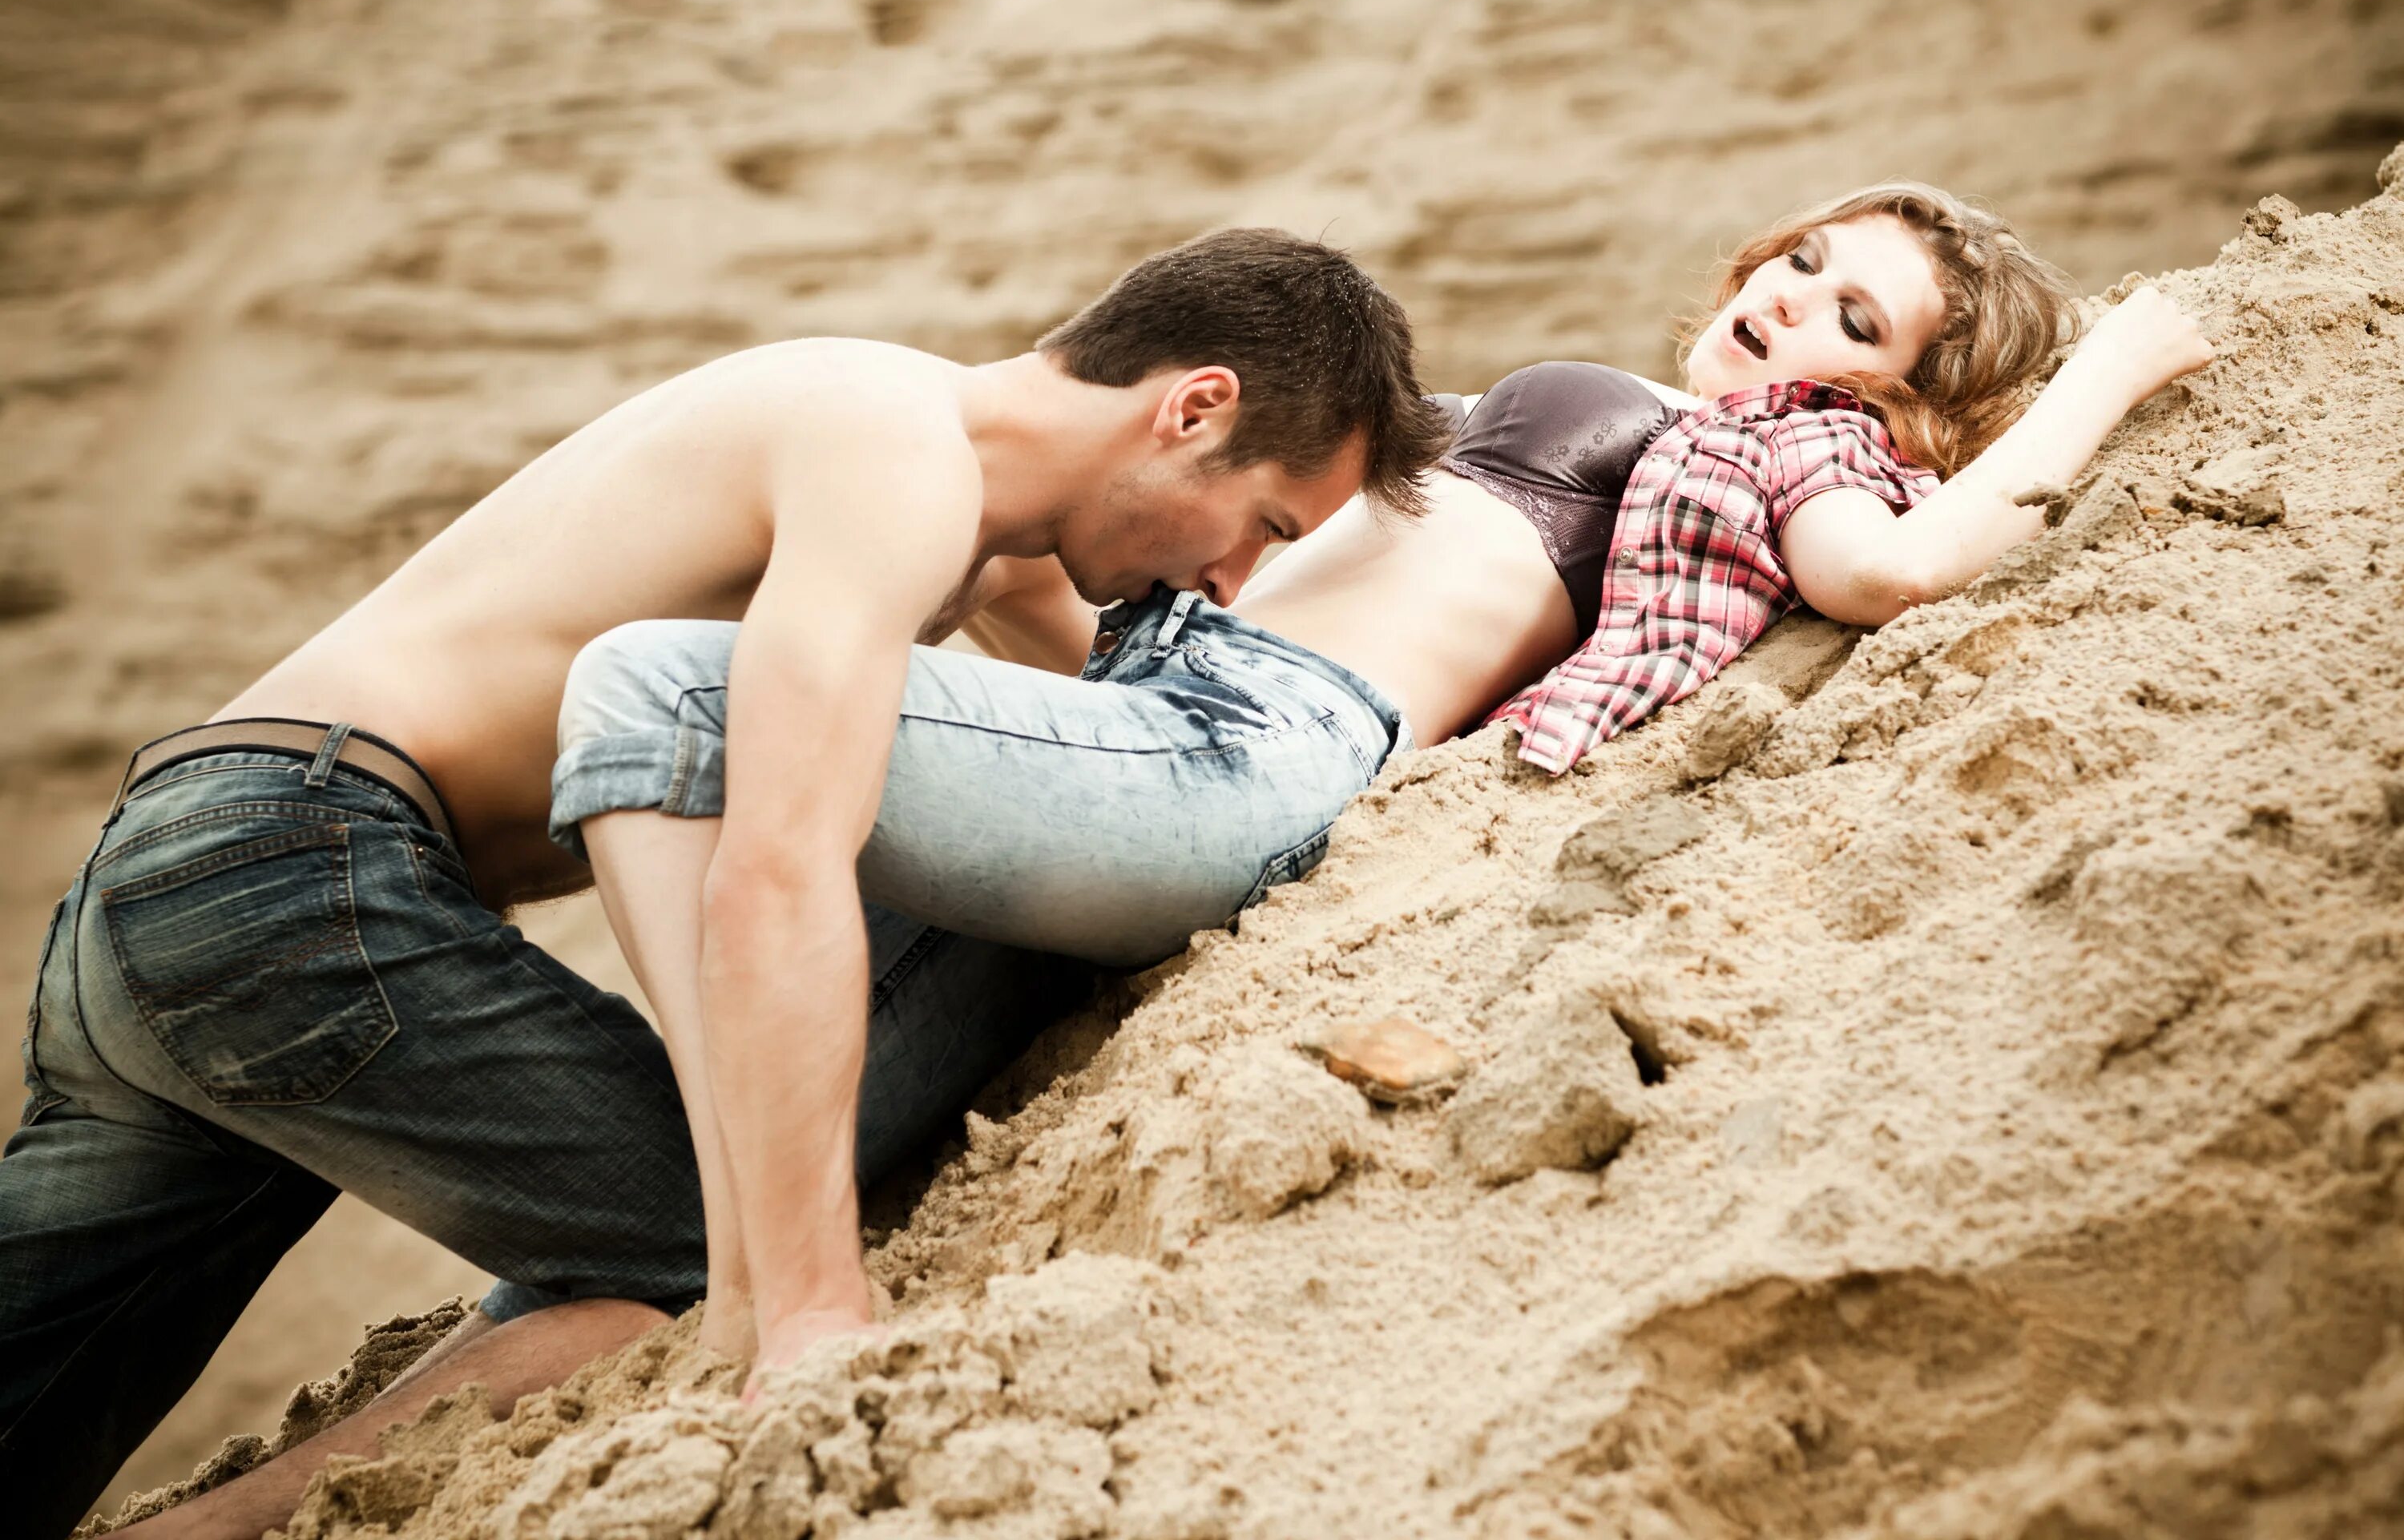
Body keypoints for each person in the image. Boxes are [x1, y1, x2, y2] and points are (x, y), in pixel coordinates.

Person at [544, 179, 2211, 1373]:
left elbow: (1888, 574)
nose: (1793, 301)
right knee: (605, 1257)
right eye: (1804, 256)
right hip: (1156, 731)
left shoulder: (1788, 441)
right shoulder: (1632, 408)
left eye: (1860, 321)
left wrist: (2103, 378)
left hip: (1252, 749)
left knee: (654, 689)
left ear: (1909, 409)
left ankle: (796, 1306)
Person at [0, 228, 1452, 1540]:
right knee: (730, 1226)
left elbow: (1107, 743)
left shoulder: (943, 488)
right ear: (1192, 408)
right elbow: (775, 862)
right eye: (1265, 525)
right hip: (299, 879)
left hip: (172, 877)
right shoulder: (896, 457)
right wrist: (810, 1306)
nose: (1233, 584)